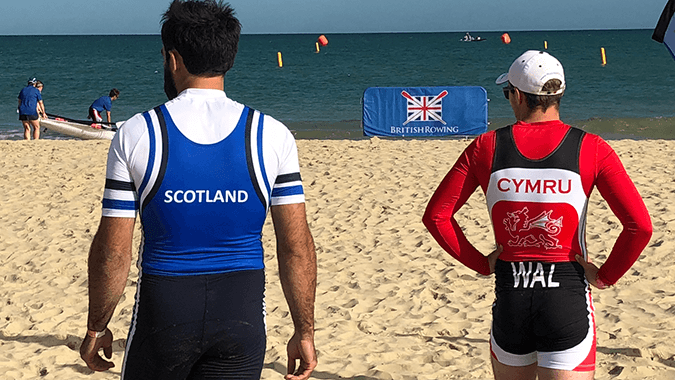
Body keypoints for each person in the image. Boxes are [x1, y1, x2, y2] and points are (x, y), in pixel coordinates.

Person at [78, 1, 317, 379]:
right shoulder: (271, 134)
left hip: (166, 311)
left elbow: (114, 249)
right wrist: (304, 331)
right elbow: (296, 246)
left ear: (172, 59)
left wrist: (97, 326)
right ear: (229, 56)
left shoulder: (139, 132)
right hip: (241, 312)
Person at [422, 50, 652, 380]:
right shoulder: (591, 147)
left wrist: (480, 263)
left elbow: (437, 217)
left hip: (511, 297)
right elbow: (639, 227)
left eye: (507, 94)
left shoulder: (486, 146)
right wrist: (605, 276)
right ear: (559, 95)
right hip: (567, 298)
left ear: (517, 96)